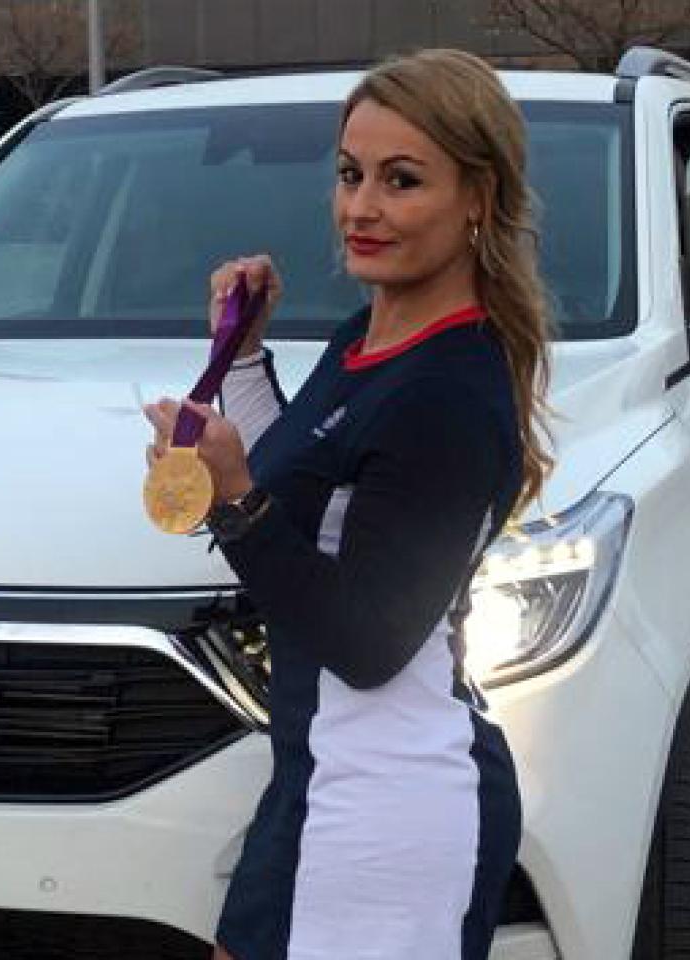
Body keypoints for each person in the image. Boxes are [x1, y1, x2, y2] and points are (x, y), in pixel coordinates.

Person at [142, 49, 554, 960]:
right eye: (349, 174)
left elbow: (369, 644)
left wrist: (234, 502)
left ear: (478, 196)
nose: (361, 207)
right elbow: (306, 489)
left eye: (402, 181)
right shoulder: (368, 336)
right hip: (316, 775)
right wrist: (243, 358)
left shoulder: (448, 389)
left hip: (391, 801)